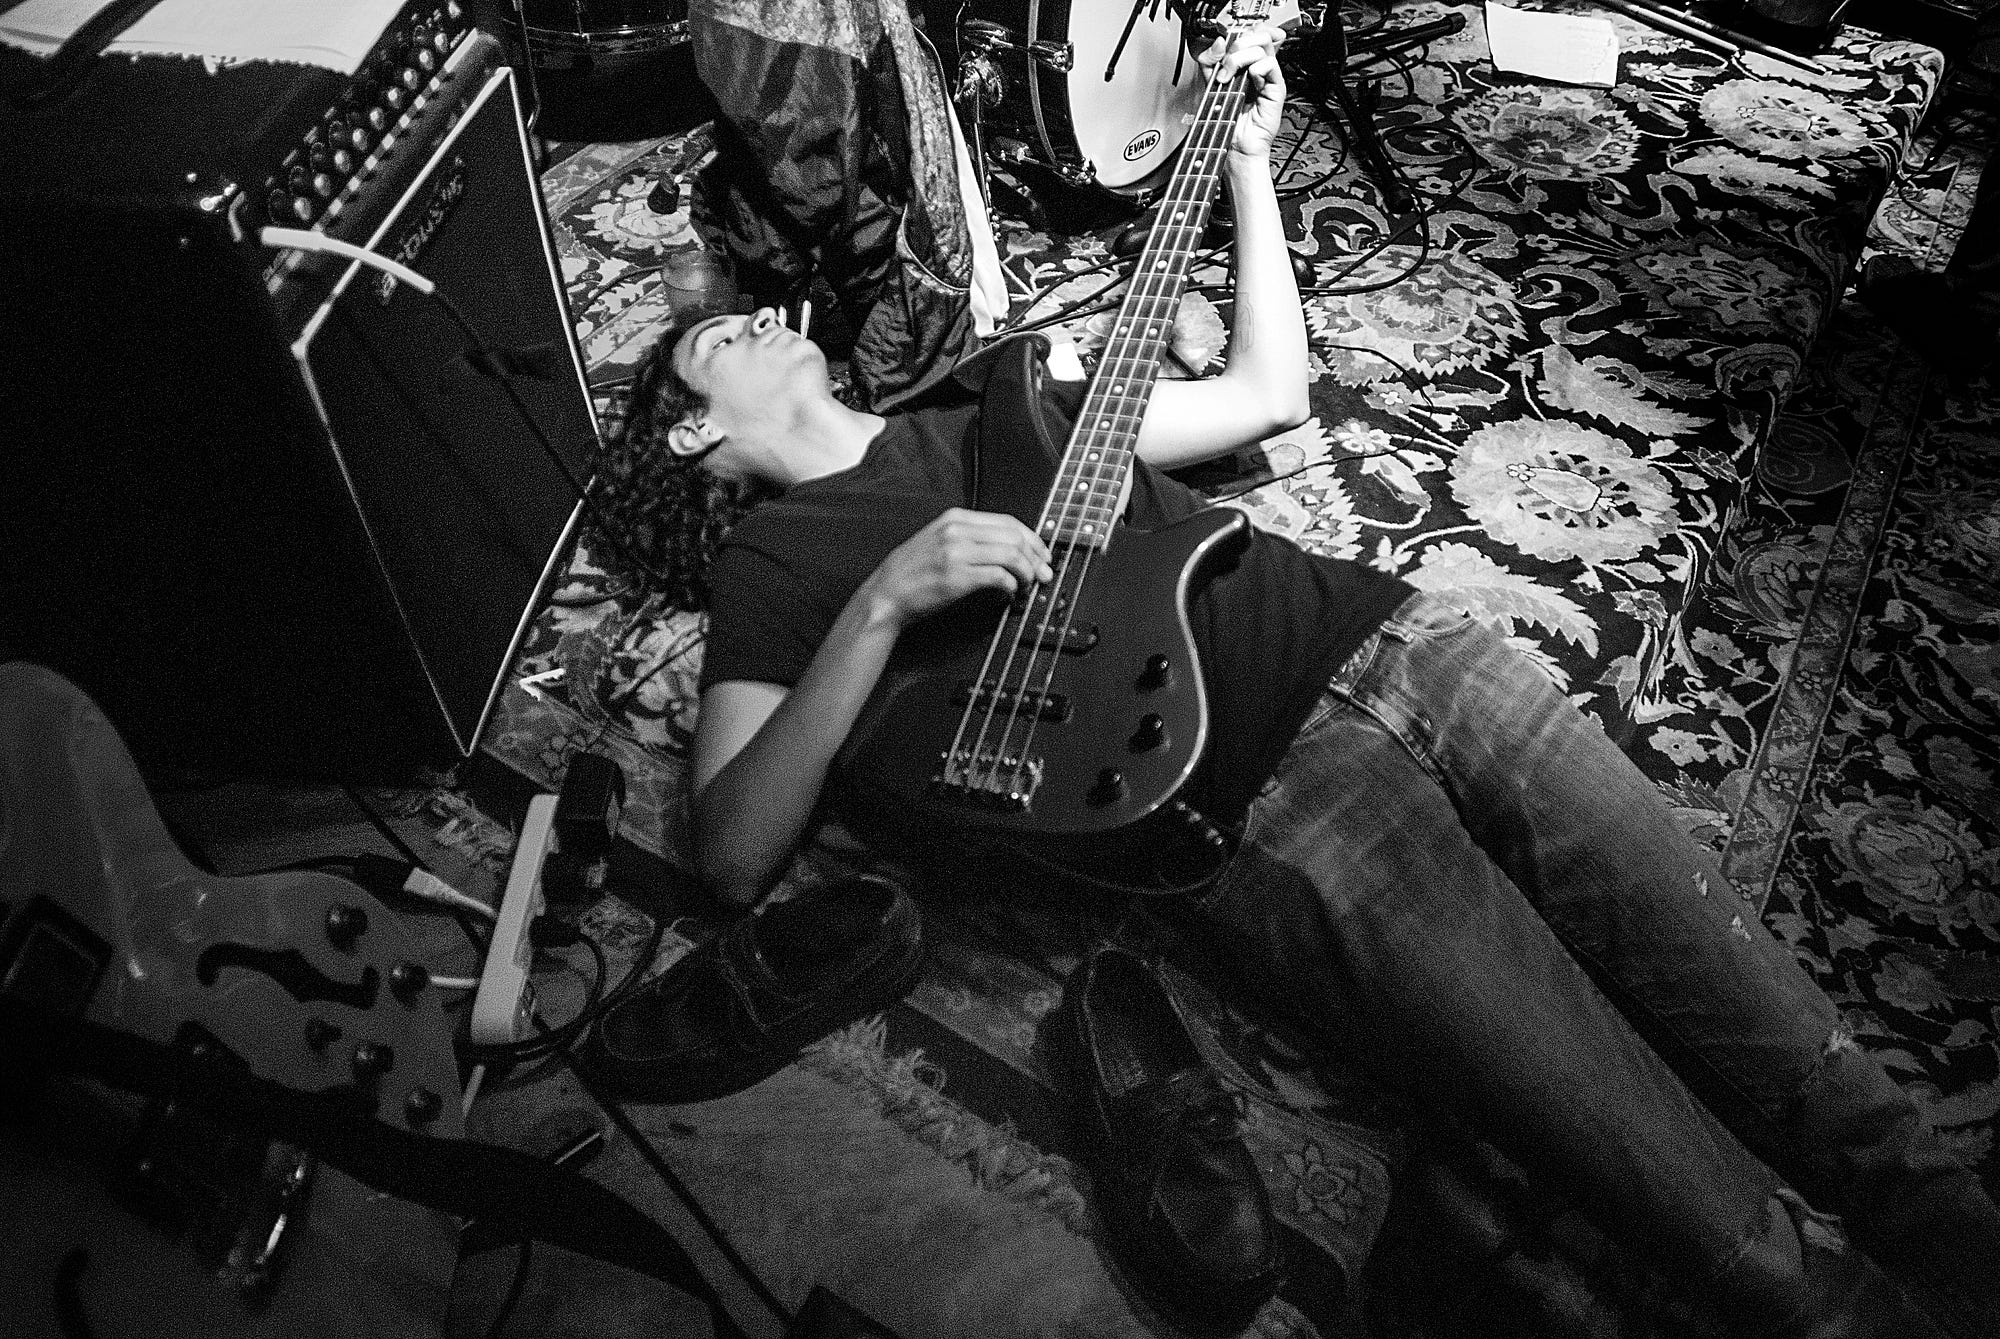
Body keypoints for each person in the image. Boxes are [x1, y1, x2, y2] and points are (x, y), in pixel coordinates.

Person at [587, 27, 2000, 1339]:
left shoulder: (989, 391)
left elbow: (1268, 393)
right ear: (692, 436)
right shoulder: (777, 563)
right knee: (1723, 1227)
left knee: (1829, 1078)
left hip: (1406, 647)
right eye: (717, 341)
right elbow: (732, 849)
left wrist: (1249, 169)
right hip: (1279, 804)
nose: (756, 316)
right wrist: (885, 603)